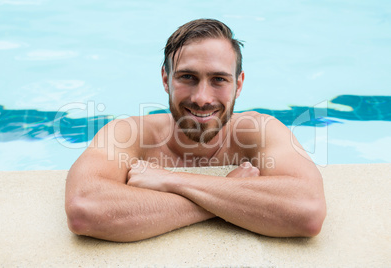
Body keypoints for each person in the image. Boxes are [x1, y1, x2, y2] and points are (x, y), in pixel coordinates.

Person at [65, 18, 326, 242]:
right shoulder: (129, 133)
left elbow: (308, 211)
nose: (202, 98)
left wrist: (171, 181)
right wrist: (229, 193)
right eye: (187, 77)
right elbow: (84, 209)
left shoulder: (259, 130)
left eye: (219, 80)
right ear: (166, 79)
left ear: (239, 84)